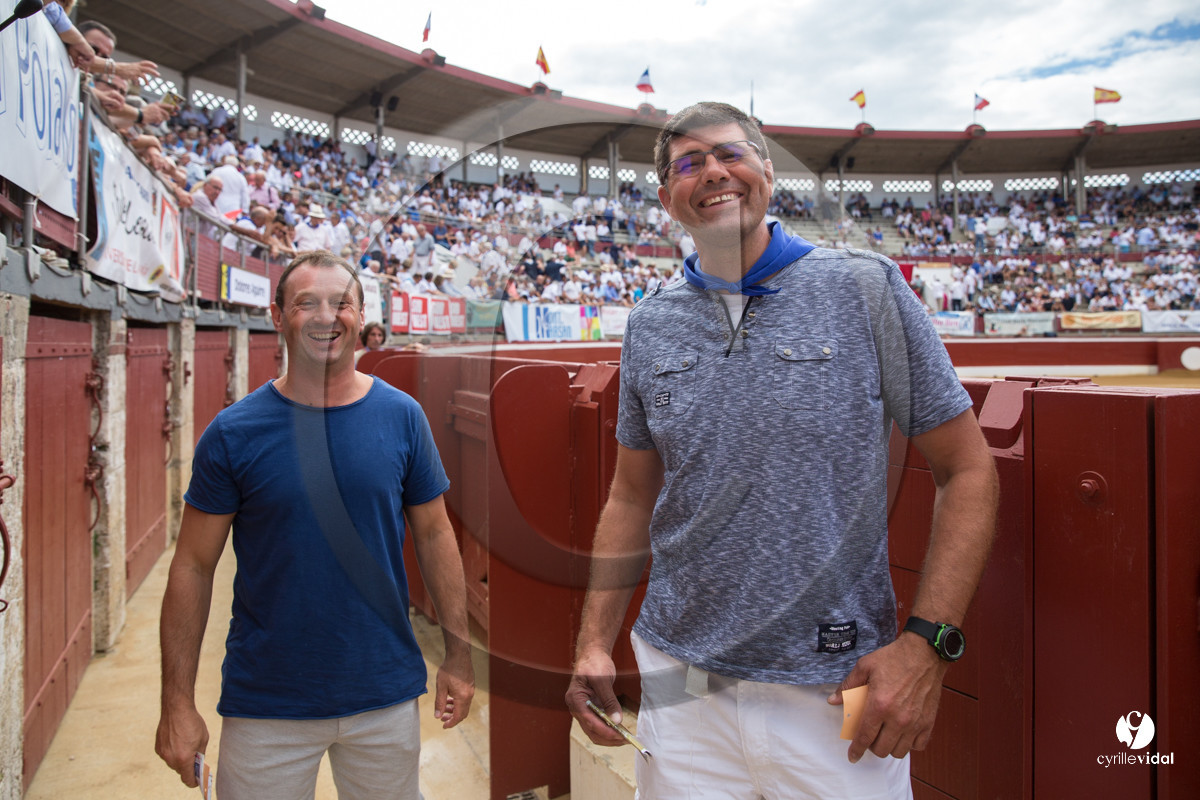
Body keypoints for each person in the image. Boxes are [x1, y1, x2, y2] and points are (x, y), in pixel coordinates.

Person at [565, 102, 998, 799]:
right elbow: (631, 494)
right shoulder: (649, 324)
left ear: (766, 169)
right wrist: (593, 641)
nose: (713, 172)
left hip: (841, 687)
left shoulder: (865, 286)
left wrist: (928, 645)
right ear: (667, 197)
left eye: (731, 153)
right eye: (688, 163)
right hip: (680, 683)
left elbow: (968, 469)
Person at [155, 251, 474, 799]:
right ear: (278, 317)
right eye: (308, 303)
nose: (327, 316)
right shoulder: (234, 433)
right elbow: (193, 564)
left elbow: (435, 534)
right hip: (268, 702)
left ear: (362, 315)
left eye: (341, 303)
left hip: (383, 691)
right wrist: (176, 701)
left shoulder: (402, 417)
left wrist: (460, 655)